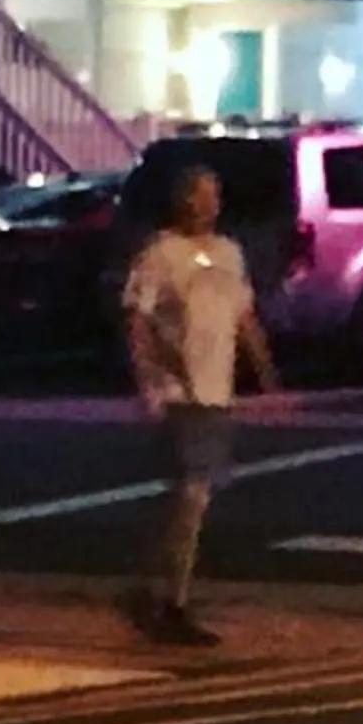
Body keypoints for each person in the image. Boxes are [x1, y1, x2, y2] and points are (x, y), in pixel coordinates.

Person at [122, 164, 280, 645]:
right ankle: (173, 603)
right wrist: (148, 376)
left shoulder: (230, 255)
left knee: (194, 499)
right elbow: (137, 321)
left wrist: (267, 372)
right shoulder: (160, 255)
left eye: (215, 195)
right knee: (191, 496)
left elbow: (243, 315)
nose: (209, 205)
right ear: (181, 201)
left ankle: (157, 588)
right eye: (200, 195)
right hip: (178, 392)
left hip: (217, 390)